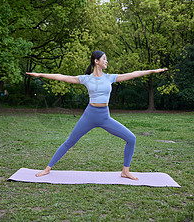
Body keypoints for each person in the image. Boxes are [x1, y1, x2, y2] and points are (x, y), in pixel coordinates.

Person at [26, 50, 167, 180]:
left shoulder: (110, 77)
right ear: (96, 61)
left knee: (131, 138)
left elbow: (134, 73)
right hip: (89, 115)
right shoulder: (86, 79)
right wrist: (40, 74)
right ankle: (47, 168)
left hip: (105, 117)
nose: (107, 62)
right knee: (70, 141)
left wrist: (153, 71)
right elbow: (62, 77)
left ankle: (125, 171)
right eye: (104, 59)